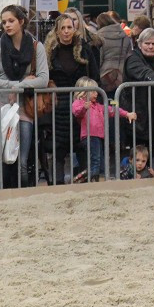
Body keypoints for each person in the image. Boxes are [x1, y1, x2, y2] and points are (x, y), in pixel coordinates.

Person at [0, 5, 48, 188]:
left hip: (23, 108)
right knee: (1, 157)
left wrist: (18, 87)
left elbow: (43, 79)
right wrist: (13, 85)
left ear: (21, 21)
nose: (7, 25)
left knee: (22, 159)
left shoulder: (36, 46)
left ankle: (22, 194)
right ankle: (1, 193)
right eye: (4, 22)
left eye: (11, 21)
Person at [44, 13, 100, 183]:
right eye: (63, 28)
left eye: (69, 27)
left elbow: (95, 76)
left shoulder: (85, 49)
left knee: (83, 147)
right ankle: (57, 187)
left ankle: (85, 183)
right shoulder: (50, 52)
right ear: (57, 31)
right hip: (58, 106)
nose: (66, 31)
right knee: (58, 149)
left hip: (82, 106)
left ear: (75, 29)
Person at [70, 76, 136, 182]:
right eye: (93, 91)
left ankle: (88, 176)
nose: (97, 94)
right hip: (89, 136)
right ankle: (93, 179)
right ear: (84, 92)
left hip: (98, 136)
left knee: (99, 159)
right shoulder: (79, 103)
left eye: (97, 91)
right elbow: (76, 112)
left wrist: (126, 114)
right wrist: (84, 108)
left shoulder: (98, 106)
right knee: (95, 160)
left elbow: (112, 110)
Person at [122, 27, 154, 160]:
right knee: (137, 149)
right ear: (139, 44)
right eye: (147, 43)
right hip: (136, 111)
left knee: (150, 149)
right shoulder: (132, 58)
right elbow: (144, 72)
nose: (150, 47)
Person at [95, 11, 133, 96]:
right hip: (122, 76)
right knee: (119, 104)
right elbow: (129, 56)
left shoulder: (98, 37)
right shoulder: (125, 36)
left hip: (104, 76)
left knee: (105, 104)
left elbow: (99, 59)